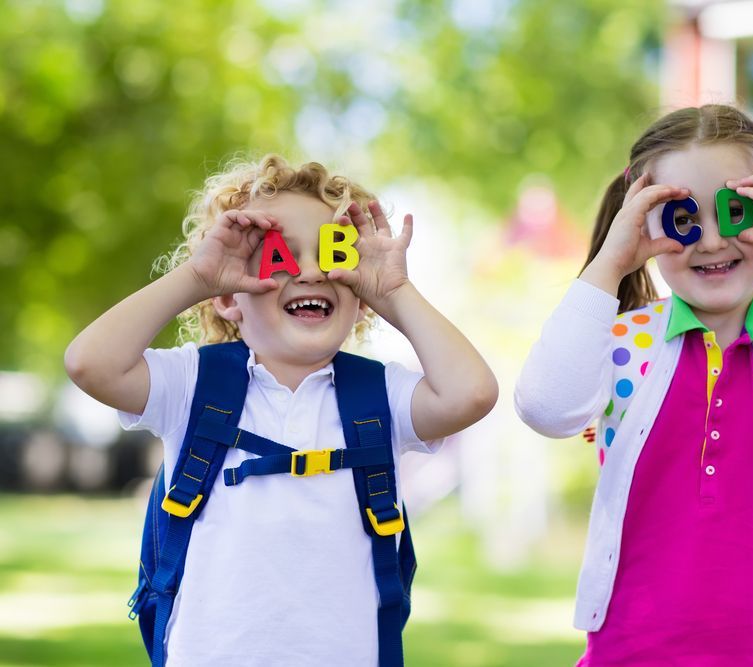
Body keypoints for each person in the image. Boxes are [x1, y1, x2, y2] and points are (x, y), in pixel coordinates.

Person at [64, 154, 498, 666]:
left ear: (358, 297)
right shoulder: (192, 385)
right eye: (278, 256)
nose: (312, 271)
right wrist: (197, 277)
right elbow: (90, 363)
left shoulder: (379, 395)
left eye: (335, 255)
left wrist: (394, 292)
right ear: (229, 297)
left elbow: (471, 393)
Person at [514, 105, 753, 666]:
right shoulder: (623, 341)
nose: (710, 240)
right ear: (643, 220)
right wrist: (608, 265)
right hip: (632, 652)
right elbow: (545, 409)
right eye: (680, 216)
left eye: (736, 210)